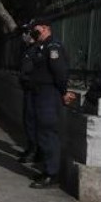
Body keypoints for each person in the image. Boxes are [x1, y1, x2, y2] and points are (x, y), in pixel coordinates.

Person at [27, 19, 72, 189]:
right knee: (43, 133)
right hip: (41, 94)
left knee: (48, 133)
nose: (33, 32)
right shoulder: (42, 47)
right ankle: (47, 169)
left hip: (49, 95)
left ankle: (51, 174)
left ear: (46, 29)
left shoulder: (53, 47)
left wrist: (63, 91)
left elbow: (60, 72)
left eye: (36, 29)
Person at [17, 28, 41, 163]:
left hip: (34, 89)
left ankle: (34, 150)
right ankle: (31, 147)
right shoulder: (28, 49)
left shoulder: (37, 49)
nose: (24, 36)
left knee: (32, 121)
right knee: (28, 120)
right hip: (28, 89)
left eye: (26, 34)